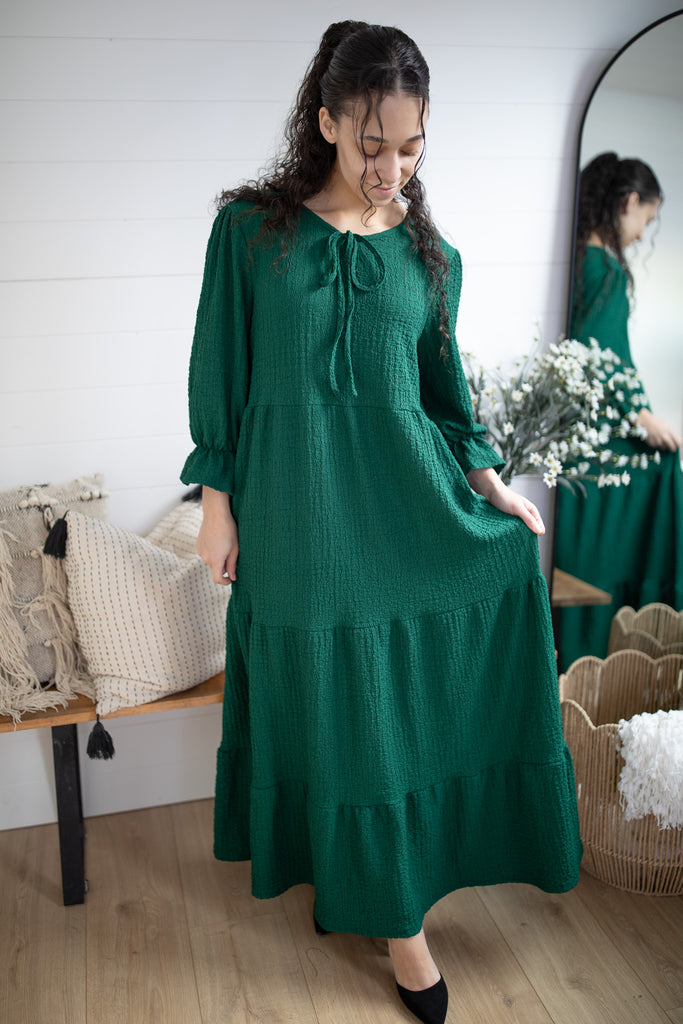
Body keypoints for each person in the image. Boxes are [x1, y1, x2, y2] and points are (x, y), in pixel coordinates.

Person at [181, 22, 582, 1024]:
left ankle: (392, 916)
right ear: (324, 121)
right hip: (298, 516)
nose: (392, 167)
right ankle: (380, 907)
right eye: (373, 144)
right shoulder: (250, 236)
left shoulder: (429, 257)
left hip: (405, 508)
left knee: (423, 661)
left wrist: (491, 488)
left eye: (410, 148)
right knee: (336, 699)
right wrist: (216, 506)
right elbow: (218, 373)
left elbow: (444, 400)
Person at [555, 152, 683, 671]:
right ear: (629, 201)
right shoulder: (603, 269)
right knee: (666, 469)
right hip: (598, 443)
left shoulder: (576, 263)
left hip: (574, 436)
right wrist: (641, 416)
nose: (641, 234)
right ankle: (653, 628)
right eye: (646, 220)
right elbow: (605, 361)